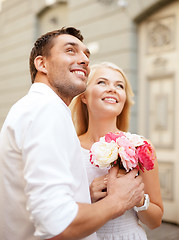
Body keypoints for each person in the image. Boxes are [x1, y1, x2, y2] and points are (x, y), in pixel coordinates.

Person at [0, 28, 144, 240]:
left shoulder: (39, 108)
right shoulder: (45, 110)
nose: (84, 60)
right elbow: (56, 223)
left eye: (87, 54)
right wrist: (118, 201)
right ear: (42, 64)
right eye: (70, 50)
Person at [70, 62, 164, 240]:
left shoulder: (141, 147)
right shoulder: (68, 146)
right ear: (84, 96)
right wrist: (86, 196)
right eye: (102, 83)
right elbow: (54, 212)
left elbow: (155, 221)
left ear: (123, 99)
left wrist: (137, 198)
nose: (112, 89)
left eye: (119, 85)